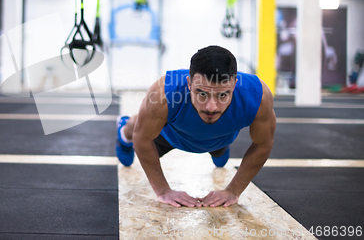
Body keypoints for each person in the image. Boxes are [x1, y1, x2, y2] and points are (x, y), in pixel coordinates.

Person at [116, 45, 276, 208]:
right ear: (189, 83)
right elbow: (142, 138)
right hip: (171, 135)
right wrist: (163, 191)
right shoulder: (164, 92)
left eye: (222, 95)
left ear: (234, 85)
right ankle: (123, 132)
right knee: (136, 127)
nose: (211, 107)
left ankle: (219, 147)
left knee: (220, 156)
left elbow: (263, 143)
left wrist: (233, 191)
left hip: (220, 137)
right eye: (202, 93)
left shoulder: (258, 96)